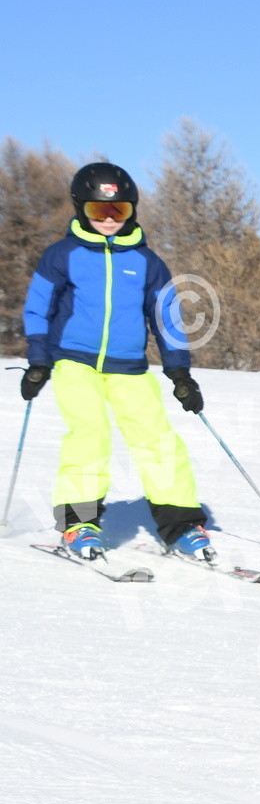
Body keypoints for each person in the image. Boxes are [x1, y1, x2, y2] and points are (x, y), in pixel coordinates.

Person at [20, 162, 212, 561]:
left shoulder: (147, 261)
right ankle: (79, 524)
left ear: (132, 210)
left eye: (118, 210)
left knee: (158, 439)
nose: (109, 219)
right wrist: (39, 361)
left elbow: (167, 317)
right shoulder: (62, 255)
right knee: (90, 434)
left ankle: (180, 525)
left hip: (129, 366)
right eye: (99, 210)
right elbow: (38, 308)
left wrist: (179, 372)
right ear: (81, 208)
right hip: (75, 361)